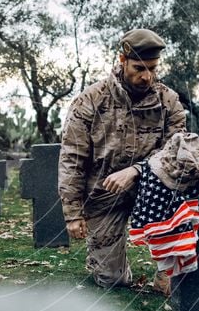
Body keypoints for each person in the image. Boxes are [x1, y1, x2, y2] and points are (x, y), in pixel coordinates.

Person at [58, 28, 187, 291]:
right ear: (122, 60)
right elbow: (72, 158)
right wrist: (73, 214)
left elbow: (176, 151)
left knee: (196, 156)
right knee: (112, 281)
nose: (146, 76)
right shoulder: (90, 101)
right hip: (105, 195)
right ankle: (108, 260)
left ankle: (170, 266)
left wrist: (138, 170)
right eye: (139, 68)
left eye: (152, 68)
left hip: (154, 191)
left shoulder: (168, 101)